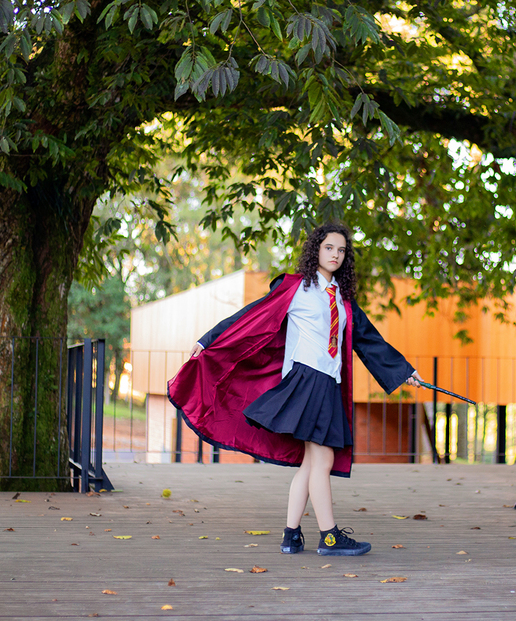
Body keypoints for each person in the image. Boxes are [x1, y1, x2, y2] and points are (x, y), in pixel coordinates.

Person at [167, 221, 422, 557]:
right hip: (306, 378)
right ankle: (329, 537)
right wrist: (208, 340)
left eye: (341, 250)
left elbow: (369, 340)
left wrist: (404, 372)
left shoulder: (343, 301)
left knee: (312, 461)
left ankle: (291, 535)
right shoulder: (296, 288)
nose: (335, 254)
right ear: (316, 249)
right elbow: (251, 317)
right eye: (329, 247)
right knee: (323, 458)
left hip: (329, 384)